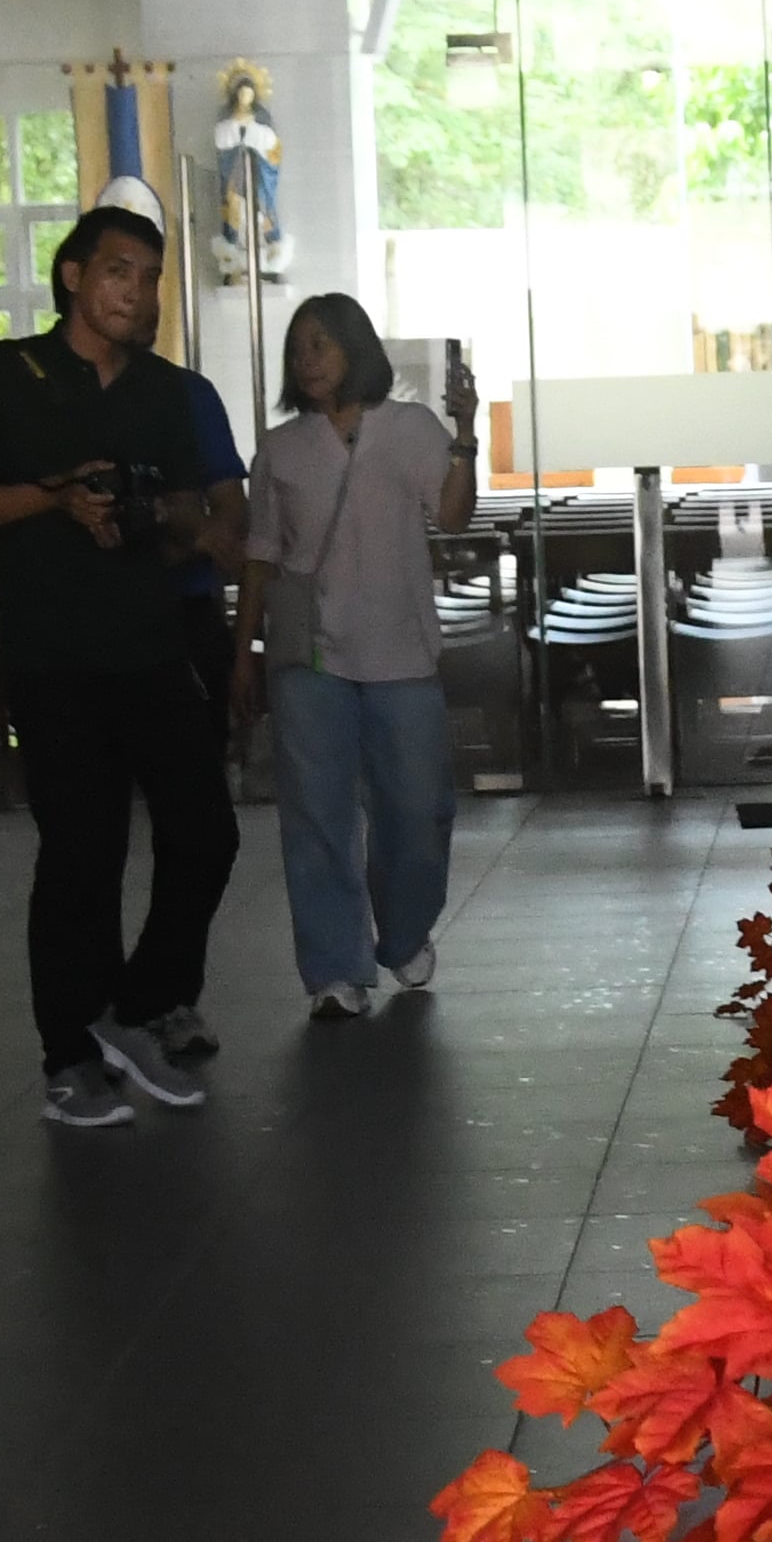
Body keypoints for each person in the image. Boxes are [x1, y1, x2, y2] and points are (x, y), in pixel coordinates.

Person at [0, 202, 243, 1129]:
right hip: (54, 653)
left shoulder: (160, 391)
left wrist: (159, 520)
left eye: (148, 278)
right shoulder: (6, 372)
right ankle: (68, 1055)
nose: (134, 293)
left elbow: (187, 507)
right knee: (82, 854)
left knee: (205, 830)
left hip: (151, 642)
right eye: (118, 272)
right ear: (73, 275)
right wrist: (53, 498)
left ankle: (136, 1010)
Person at [248, 288, 476, 1018]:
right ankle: (334, 969)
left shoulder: (408, 428)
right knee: (316, 818)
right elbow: (261, 555)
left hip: (401, 653)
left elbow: (451, 512)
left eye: (321, 343)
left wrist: (466, 432)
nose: (307, 360)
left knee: (418, 811)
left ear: (356, 347)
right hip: (311, 658)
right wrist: (243, 652)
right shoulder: (280, 449)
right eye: (297, 348)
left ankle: (403, 930)